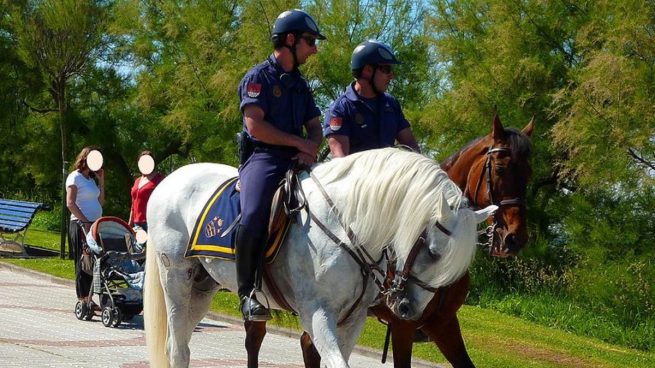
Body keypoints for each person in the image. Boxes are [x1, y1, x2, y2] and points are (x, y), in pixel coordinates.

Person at [235, 9, 325, 321]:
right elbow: (255, 126)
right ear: (290, 40)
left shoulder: (301, 85)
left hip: (298, 159)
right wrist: (301, 144)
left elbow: (315, 126)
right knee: (255, 212)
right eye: (310, 41)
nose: (314, 48)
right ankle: (247, 292)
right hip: (264, 157)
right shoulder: (258, 78)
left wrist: (311, 147)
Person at [323, 40, 420, 157]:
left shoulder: (391, 104)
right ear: (368, 70)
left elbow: (412, 148)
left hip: (390, 174)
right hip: (357, 175)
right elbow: (341, 163)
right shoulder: (340, 110)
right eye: (386, 69)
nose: (391, 76)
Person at [66, 146, 105, 305]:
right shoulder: (75, 177)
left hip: (94, 225)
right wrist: (85, 221)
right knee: (83, 260)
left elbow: (100, 202)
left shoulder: (91, 180)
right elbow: (70, 203)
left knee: (94, 262)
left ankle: (89, 297)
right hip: (80, 224)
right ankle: (82, 298)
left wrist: (101, 180)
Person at [128, 150, 163, 232]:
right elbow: (133, 203)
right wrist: (130, 222)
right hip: (137, 223)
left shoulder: (159, 179)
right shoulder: (137, 181)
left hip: (151, 223)